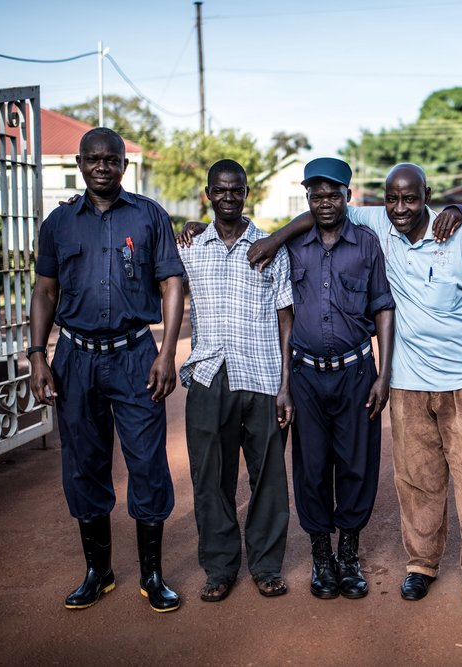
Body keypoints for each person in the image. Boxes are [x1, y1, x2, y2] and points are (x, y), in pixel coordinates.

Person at [238, 163, 462, 608]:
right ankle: (421, 566)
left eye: (410, 198)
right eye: (392, 199)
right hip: (406, 380)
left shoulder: (458, 237)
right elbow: (321, 210)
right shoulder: (377, 224)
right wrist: (273, 238)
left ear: (427, 194)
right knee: (416, 481)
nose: (400, 208)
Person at [28, 127, 184, 613]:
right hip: (74, 358)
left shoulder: (149, 216)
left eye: (110, 159)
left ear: (123, 165)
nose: (101, 166)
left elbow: (172, 285)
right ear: (79, 163)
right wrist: (37, 355)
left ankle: (153, 576)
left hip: (135, 353)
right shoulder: (58, 223)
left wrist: (166, 353)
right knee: (83, 464)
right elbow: (45, 292)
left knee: (147, 462)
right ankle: (99, 572)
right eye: (92, 159)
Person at [177, 159, 294, 603]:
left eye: (236, 190)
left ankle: (266, 567)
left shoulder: (269, 248)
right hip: (209, 376)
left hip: (262, 375)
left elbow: (287, 319)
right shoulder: (190, 247)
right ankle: (220, 568)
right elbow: (166, 287)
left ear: (247, 193)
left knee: (268, 477)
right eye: (219, 190)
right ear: (209, 194)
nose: (228, 197)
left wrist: (286, 384)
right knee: (211, 478)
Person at [286, 158, 395, 600]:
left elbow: (383, 307)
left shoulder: (367, 244)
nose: (325, 201)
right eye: (316, 194)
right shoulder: (294, 246)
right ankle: (321, 557)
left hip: (355, 373)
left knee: (356, 464)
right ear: (307, 198)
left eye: (333, 193)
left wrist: (383, 374)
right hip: (306, 376)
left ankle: (348, 554)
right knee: (311, 468)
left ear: (348, 196)